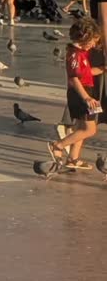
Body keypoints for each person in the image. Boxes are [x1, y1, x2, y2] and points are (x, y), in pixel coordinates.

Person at [50, 18, 103, 173]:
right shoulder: (74, 55)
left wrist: (102, 69)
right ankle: (58, 145)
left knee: (80, 127)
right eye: (93, 41)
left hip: (86, 92)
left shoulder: (81, 53)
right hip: (81, 94)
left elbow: (87, 73)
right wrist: (86, 98)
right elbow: (74, 78)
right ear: (85, 37)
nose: (94, 45)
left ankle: (73, 158)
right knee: (90, 129)